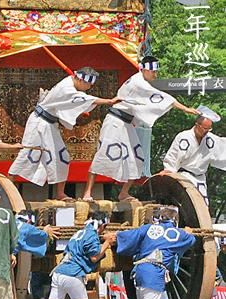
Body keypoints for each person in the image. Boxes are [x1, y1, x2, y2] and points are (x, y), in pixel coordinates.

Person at [83, 56, 199, 202]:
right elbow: (162, 97)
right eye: (152, 72)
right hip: (115, 122)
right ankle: (87, 192)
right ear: (143, 70)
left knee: (137, 157)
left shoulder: (139, 81)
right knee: (104, 154)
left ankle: (123, 193)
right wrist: (185, 108)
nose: (155, 75)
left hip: (125, 124)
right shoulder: (138, 82)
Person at [9, 68, 119, 201]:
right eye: (88, 85)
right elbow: (82, 99)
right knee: (27, 154)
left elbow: (64, 105)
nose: (88, 88)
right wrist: (108, 101)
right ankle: (8, 188)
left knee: (62, 156)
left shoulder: (70, 86)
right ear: (80, 80)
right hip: (38, 123)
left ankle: (60, 193)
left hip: (49, 124)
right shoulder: (66, 88)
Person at [24, 211, 113, 299]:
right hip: (73, 273)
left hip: (59, 272)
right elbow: (94, 256)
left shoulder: (80, 232)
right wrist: (107, 242)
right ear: (102, 225)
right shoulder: (91, 235)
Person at [114, 206, 195, 299]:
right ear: (175, 220)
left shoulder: (147, 228)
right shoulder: (175, 232)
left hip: (140, 271)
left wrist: (115, 236)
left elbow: (130, 236)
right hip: (154, 272)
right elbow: (190, 240)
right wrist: (188, 232)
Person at [161, 107, 226, 207]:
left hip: (200, 177)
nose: (206, 132)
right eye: (204, 129)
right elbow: (173, 155)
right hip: (184, 175)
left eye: (209, 129)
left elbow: (222, 147)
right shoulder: (183, 137)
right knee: (185, 205)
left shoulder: (210, 139)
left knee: (203, 206)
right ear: (197, 125)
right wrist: (168, 169)